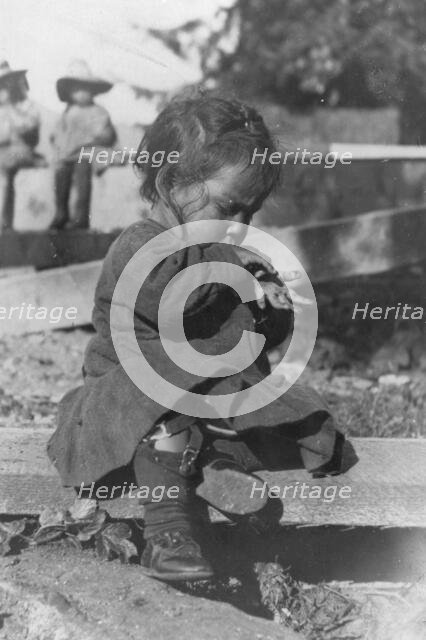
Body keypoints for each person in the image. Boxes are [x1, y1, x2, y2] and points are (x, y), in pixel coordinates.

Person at [47, 96, 346, 582]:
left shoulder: (221, 248)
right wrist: (234, 269)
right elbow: (174, 304)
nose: (241, 226)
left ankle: (216, 468)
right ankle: (169, 533)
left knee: (272, 417)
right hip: (135, 384)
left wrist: (270, 314)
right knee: (165, 427)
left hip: (205, 383)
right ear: (172, 183)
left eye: (250, 213)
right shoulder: (141, 244)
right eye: (230, 207)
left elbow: (243, 334)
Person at [49, 60, 116, 230]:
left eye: (85, 89)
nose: (81, 94)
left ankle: (81, 218)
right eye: (76, 90)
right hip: (68, 153)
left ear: (93, 91)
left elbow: (108, 135)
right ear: (70, 93)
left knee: (82, 173)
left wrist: (92, 137)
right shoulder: (68, 112)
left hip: (88, 153)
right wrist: (59, 141)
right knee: (61, 173)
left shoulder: (98, 112)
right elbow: (57, 133)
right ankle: (61, 212)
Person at [0, 60, 41, 232]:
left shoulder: (27, 106)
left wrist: (10, 108)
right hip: (3, 151)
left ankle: (3, 222)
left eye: (8, 82)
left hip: (20, 150)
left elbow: (29, 130)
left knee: (2, 169)